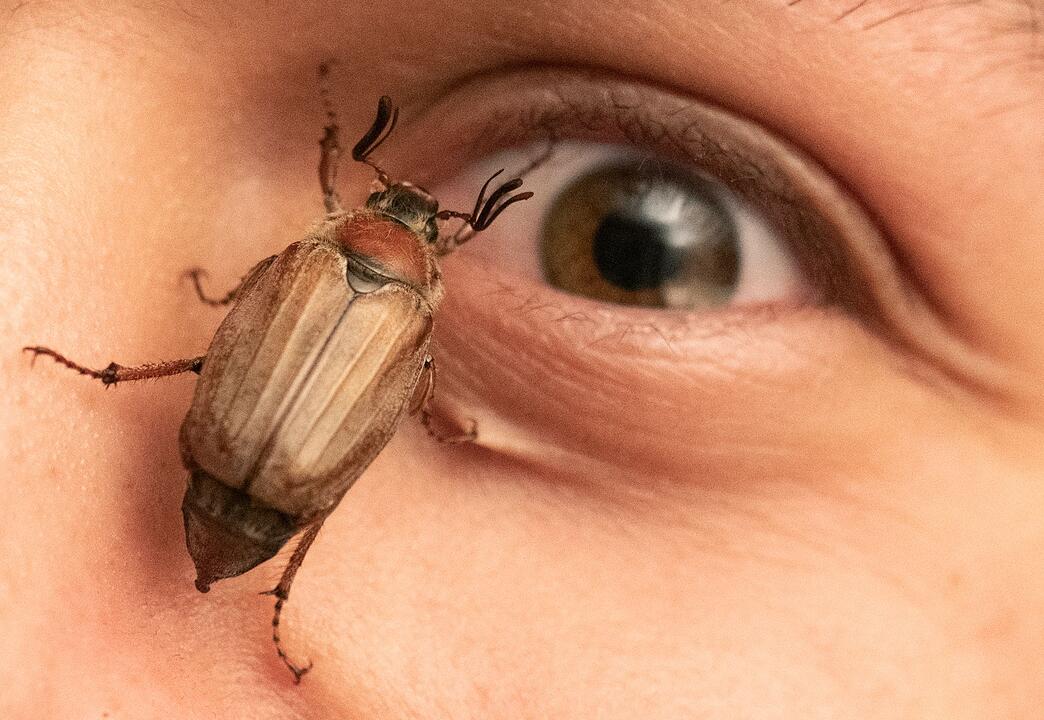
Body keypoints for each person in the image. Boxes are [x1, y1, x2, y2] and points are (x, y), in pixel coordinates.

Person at [1, 0, 1041, 716]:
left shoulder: (308, 259)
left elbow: (247, 310)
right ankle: (274, 587)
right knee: (331, 465)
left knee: (248, 390)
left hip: (232, 457)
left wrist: (232, 304)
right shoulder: (408, 323)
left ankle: (110, 380)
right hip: (272, 490)